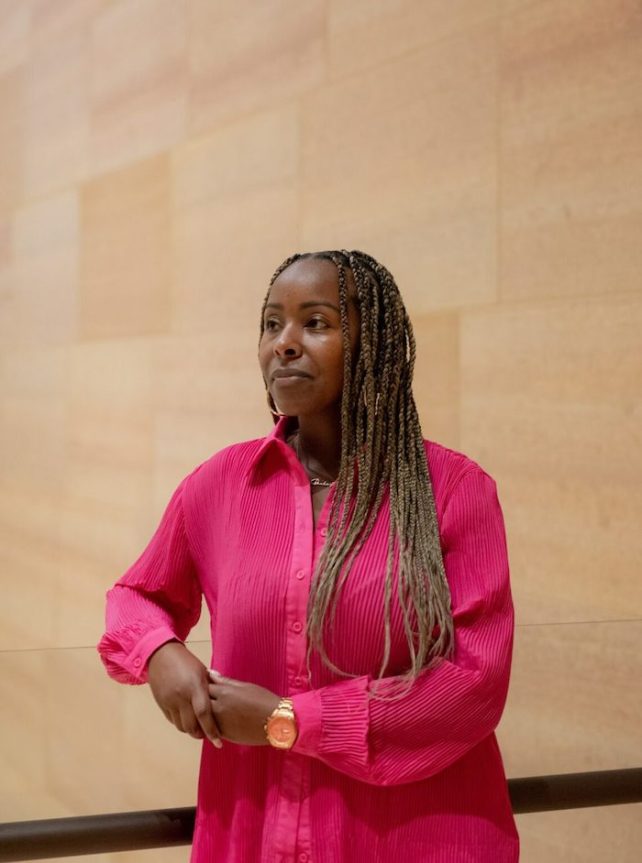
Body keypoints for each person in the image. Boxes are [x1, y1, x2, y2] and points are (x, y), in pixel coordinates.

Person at [98, 250, 519, 862]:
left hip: (416, 840)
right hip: (253, 835)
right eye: (272, 324)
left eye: (315, 323)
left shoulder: (453, 491)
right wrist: (158, 652)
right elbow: (135, 597)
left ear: (370, 345)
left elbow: (474, 687)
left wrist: (289, 720)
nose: (284, 344)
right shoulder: (218, 486)